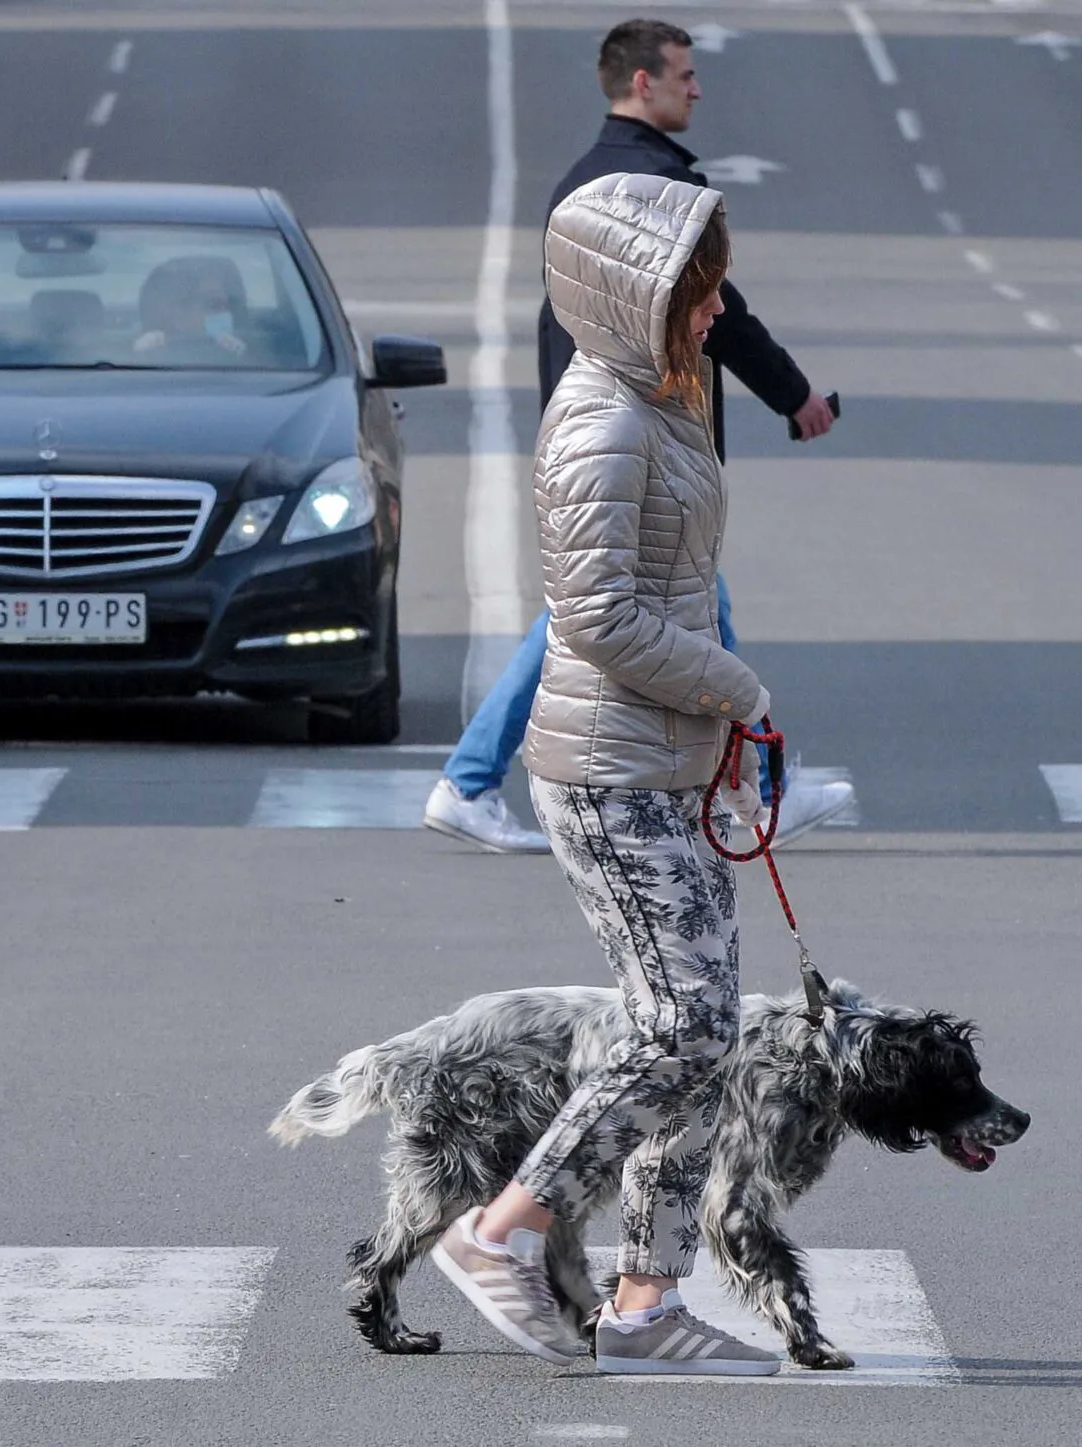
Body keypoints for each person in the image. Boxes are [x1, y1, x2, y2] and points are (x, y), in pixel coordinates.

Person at [429, 174, 781, 1376]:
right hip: (607, 769)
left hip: (663, 756)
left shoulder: (661, 396)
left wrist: (716, 733)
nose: (717, 304)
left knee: (698, 1035)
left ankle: (641, 1306)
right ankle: (503, 1232)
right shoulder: (605, 420)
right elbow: (596, 616)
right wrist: (734, 690)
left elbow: (666, 593)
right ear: (636, 296)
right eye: (697, 287)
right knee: (679, 1027)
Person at [424, 17, 851, 854]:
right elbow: (717, 314)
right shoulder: (644, 190)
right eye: (685, 74)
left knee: (648, 610)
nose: (697, 87)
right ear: (641, 82)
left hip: (612, 436)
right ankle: (760, 789)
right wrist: (794, 394)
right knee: (639, 612)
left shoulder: (592, 180)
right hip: (634, 443)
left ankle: (474, 779)